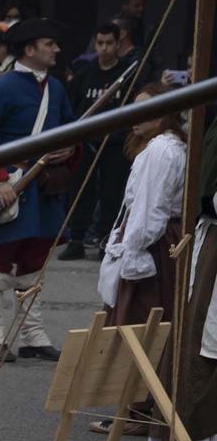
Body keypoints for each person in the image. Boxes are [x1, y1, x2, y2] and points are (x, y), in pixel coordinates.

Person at [0, 18, 74, 361]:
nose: (56, 50)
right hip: (12, 185)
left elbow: (69, 132)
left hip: (44, 187)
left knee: (34, 262)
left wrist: (70, 149)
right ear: (30, 49)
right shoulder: (3, 88)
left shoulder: (57, 89)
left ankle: (33, 336)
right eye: (50, 44)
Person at [95, 85, 185, 328]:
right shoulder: (165, 146)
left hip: (153, 243)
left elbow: (150, 208)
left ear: (164, 114)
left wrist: (133, 250)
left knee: (140, 319)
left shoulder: (160, 150)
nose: (134, 115)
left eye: (143, 109)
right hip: (158, 238)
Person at [61, 22, 133, 261]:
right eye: (100, 43)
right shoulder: (85, 74)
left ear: (118, 43)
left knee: (112, 194)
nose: (104, 48)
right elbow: (73, 109)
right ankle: (77, 239)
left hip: (116, 143)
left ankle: (105, 240)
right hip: (88, 142)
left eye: (109, 43)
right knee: (81, 191)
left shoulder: (128, 74)